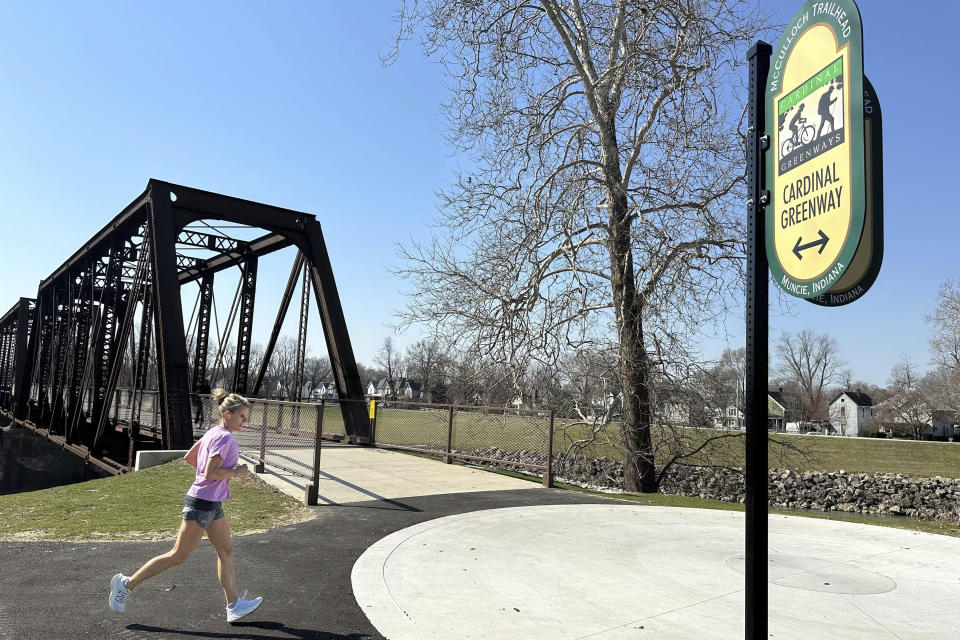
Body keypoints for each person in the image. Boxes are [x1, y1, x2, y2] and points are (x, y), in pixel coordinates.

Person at [108, 389, 263, 623]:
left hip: (211, 503)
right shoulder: (225, 438)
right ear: (228, 414)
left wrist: (209, 480)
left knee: (226, 551)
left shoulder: (213, 433)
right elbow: (210, 471)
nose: (245, 421)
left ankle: (233, 605)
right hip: (201, 504)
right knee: (178, 555)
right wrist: (236, 472)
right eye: (242, 416)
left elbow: (191, 457)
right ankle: (125, 585)